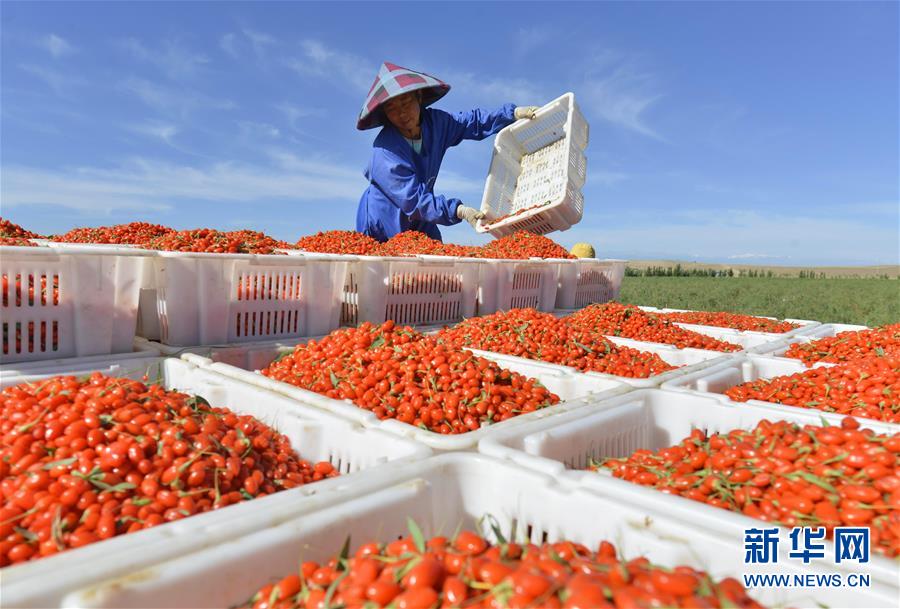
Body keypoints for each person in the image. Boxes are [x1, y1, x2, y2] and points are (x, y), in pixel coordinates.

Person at [355, 62, 539, 243]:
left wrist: (511, 114)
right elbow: (414, 200)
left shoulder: (436, 124)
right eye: (392, 109)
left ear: (418, 96)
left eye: (405, 103)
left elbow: (471, 122)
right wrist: (457, 210)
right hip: (384, 221)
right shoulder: (385, 151)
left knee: (435, 260)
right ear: (385, 114)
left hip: (420, 217)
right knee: (392, 266)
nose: (402, 114)